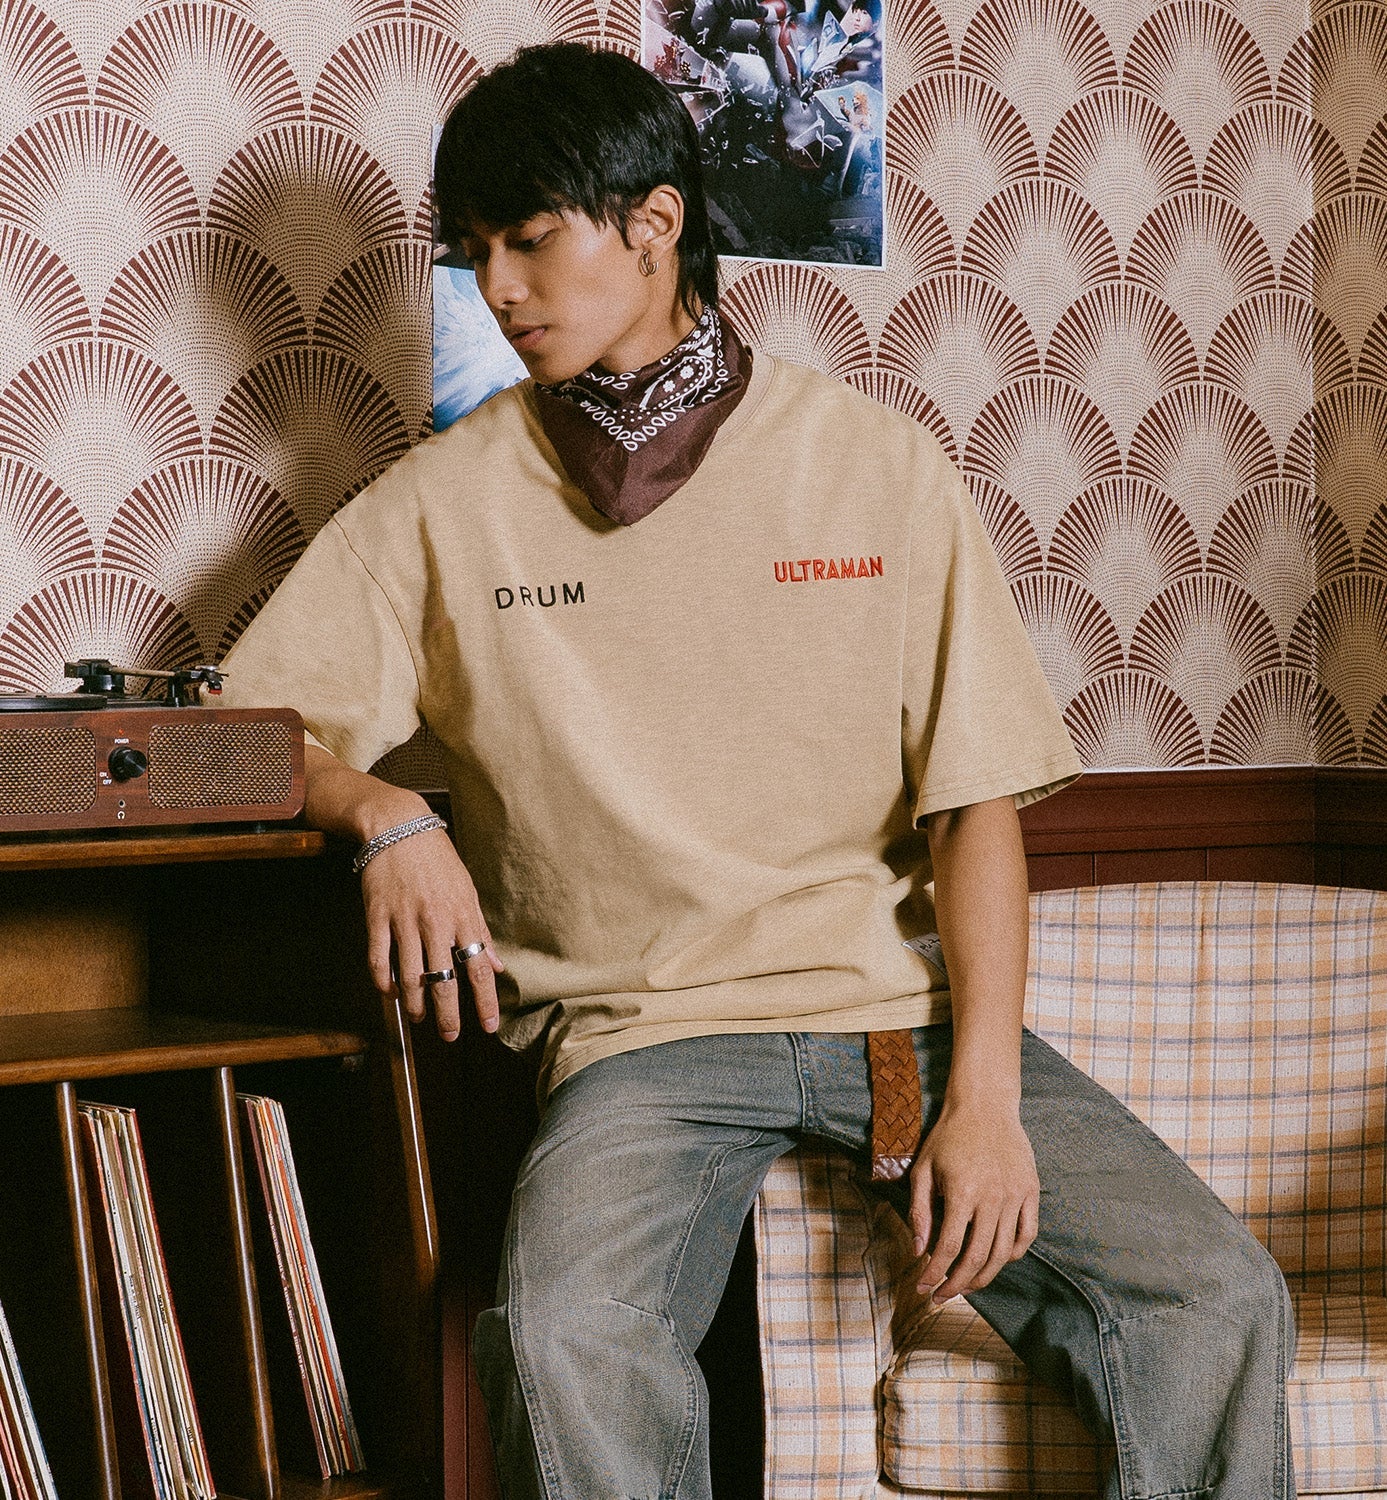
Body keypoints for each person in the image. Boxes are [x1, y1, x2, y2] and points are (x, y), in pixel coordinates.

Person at [217, 42, 1295, 1500]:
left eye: (530, 239)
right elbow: (242, 734)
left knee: (1217, 1297)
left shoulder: (877, 468)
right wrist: (382, 812)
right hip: (637, 1036)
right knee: (565, 1337)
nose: (500, 290)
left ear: (653, 225)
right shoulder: (440, 504)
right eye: (475, 253)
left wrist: (982, 1101)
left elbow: (974, 808)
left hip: (892, 1022)